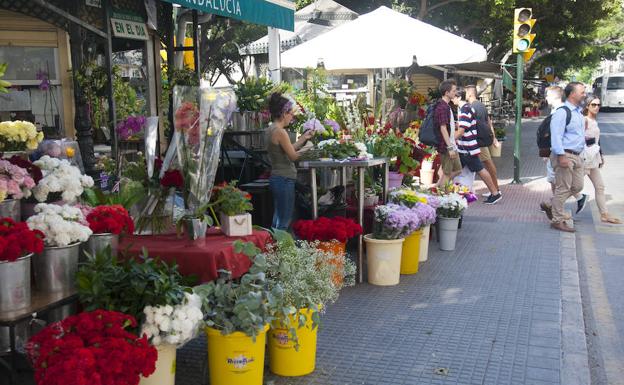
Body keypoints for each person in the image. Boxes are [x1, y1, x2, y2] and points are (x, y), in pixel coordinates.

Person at [266, 92, 313, 230]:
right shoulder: (280, 132)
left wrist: (303, 139)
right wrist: (308, 148)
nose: (292, 117)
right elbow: (293, 156)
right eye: (290, 113)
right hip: (284, 179)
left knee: (278, 218)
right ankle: (279, 250)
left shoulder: (271, 129)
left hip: (278, 177)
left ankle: (272, 249)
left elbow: (288, 149)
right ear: (283, 113)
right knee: (284, 220)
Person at [540, 86, 586, 220]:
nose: (585, 94)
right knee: (563, 188)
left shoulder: (578, 112)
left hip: (577, 155)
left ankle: (550, 204)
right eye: (582, 92)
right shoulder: (562, 112)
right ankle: (557, 220)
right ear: (572, 94)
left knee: (577, 186)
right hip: (565, 155)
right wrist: (561, 156)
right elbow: (556, 136)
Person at [453, 90, 502, 204]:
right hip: (467, 147)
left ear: (459, 97)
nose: (452, 99)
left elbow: (461, 130)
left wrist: (450, 140)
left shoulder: (465, 109)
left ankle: (495, 193)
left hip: (467, 148)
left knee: (479, 169)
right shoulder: (468, 108)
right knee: (454, 170)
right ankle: (449, 190)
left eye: (453, 97)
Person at [581, 96, 621, 224]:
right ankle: (552, 205)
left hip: (593, 158)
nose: (597, 107)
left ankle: (604, 214)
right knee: (573, 187)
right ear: (587, 106)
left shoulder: (594, 120)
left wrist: (601, 154)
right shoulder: (585, 120)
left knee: (600, 186)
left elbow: (598, 140)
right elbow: (578, 139)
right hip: (585, 159)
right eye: (593, 105)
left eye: (598, 105)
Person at [465, 85, 501, 197]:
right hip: (485, 138)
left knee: (486, 164)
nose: (465, 95)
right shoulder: (482, 105)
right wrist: (493, 137)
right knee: (487, 164)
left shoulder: (472, 107)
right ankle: (495, 189)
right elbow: (489, 122)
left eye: (466, 92)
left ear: (470, 94)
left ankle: (495, 190)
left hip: (478, 140)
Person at [434, 79, 462, 186]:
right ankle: (441, 194)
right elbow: (443, 128)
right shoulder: (442, 107)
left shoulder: (446, 106)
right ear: (447, 92)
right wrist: (450, 147)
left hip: (451, 144)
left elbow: (445, 126)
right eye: (454, 91)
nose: (455, 93)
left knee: (457, 170)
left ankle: (438, 188)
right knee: (447, 173)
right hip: (447, 146)